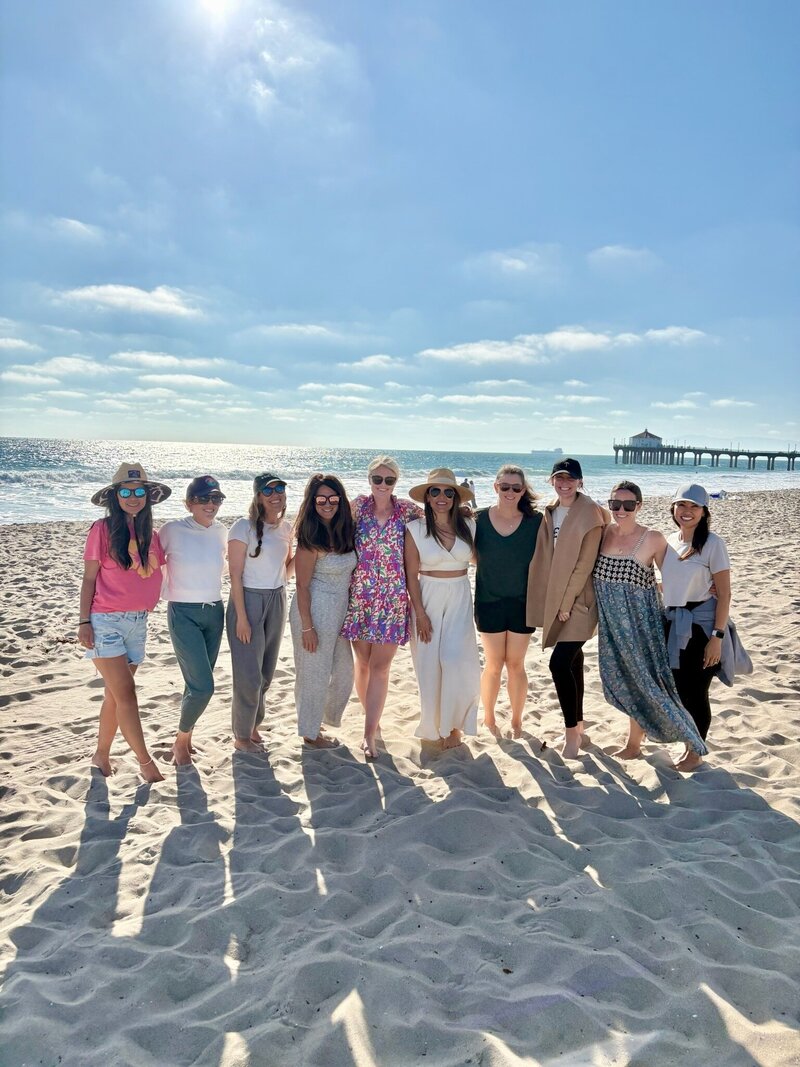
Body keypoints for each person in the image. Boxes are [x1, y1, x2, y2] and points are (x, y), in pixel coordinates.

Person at [593, 481, 708, 764]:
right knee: (626, 682)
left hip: (642, 627)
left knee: (650, 685)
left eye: (628, 505)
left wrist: (707, 587)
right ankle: (634, 744)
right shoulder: (603, 534)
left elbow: (677, 577)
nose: (621, 510)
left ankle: (693, 744)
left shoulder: (653, 539)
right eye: (615, 504)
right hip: (611, 627)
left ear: (639, 506)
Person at [78, 462, 170, 783]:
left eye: (140, 491)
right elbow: (89, 580)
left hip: (138, 623)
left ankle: (101, 754)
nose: (133, 497)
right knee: (127, 694)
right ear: (115, 496)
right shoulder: (101, 530)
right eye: (126, 491)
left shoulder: (152, 535)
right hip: (105, 622)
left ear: (148, 495)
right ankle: (146, 764)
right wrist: (83, 622)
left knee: (114, 696)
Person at [340, 456, 422, 759]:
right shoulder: (358, 507)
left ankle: (368, 734)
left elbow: (442, 516)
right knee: (362, 664)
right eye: (377, 479)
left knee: (380, 667)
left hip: (392, 599)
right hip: (360, 596)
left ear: (396, 483)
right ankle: (372, 723)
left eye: (389, 480)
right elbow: (327, 522)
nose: (383, 485)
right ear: (369, 479)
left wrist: (467, 512)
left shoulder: (407, 511)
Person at [526, 458, 608, 758]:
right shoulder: (548, 511)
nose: (564, 483)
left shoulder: (591, 514)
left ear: (580, 482)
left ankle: (571, 733)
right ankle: (581, 727)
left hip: (579, 601)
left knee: (558, 664)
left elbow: (585, 565)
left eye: (570, 479)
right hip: (556, 598)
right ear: (551, 481)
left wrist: (565, 603)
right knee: (573, 662)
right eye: (559, 478)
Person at [404, 468, 479, 749]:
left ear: (456, 497)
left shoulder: (469, 526)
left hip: (460, 595)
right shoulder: (414, 529)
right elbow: (411, 575)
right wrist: (420, 613)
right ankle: (434, 725)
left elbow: (481, 561)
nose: (442, 497)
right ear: (427, 496)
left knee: (455, 660)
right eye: (435, 491)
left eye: (448, 492)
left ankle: (454, 726)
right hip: (428, 597)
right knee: (429, 664)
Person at [660, 484, 732, 772]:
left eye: (694, 506)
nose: (687, 511)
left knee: (696, 692)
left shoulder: (714, 544)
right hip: (674, 624)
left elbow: (724, 594)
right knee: (679, 690)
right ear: (673, 509)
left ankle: (696, 751)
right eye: (681, 505)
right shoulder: (669, 541)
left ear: (704, 512)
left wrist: (717, 637)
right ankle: (689, 743)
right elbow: (671, 583)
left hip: (702, 628)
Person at [160, 475, 228, 766]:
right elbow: (148, 561)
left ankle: (186, 737)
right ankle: (181, 739)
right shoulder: (172, 530)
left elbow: (229, 567)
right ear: (189, 504)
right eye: (203, 499)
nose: (210, 504)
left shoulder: (222, 532)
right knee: (204, 687)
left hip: (215, 610)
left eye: (216, 499)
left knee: (195, 684)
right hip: (183, 613)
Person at [227, 472, 294, 753]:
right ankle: (241, 737)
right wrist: (242, 617)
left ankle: (253, 726)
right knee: (248, 675)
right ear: (258, 496)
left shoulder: (287, 528)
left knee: (266, 672)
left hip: (277, 598)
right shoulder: (242, 527)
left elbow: (287, 570)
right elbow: (235, 576)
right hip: (248, 601)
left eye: (279, 489)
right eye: (268, 491)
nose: (275, 494)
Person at [474, 464, 541, 738]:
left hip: (522, 603)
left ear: (523, 490)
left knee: (515, 664)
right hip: (488, 600)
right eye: (505, 487)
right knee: (493, 664)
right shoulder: (477, 520)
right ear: (495, 487)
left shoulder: (536, 522)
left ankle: (516, 722)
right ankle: (489, 718)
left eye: (516, 487)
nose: (510, 492)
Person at [290, 474, 357, 748]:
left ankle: (320, 719)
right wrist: (308, 626)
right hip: (314, 610)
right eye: (321, 499)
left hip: (339, 611)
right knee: (313, 673)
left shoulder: (345, 530)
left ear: (340, 500)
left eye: (332, 498)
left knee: (344, 671)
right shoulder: (309, 536)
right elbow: (302, 585)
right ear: (312, 502)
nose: (327, 504)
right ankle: (310, 732)